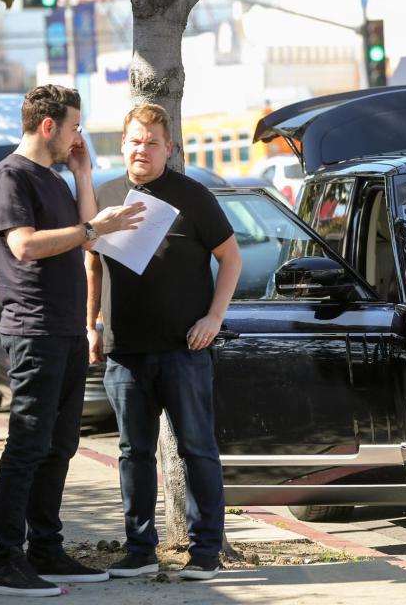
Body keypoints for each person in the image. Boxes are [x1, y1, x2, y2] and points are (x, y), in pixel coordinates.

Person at [0, 85, 146, 597]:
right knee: (28, 445)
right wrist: (87, 229)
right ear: (48, 126)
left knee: (60, 445)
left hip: (66, 329)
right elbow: (25, 246)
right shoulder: (10, 176)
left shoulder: (55, 178)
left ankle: (44, 548)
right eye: (75, 126)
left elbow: (88, 231)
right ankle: (5, 559)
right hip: (33, 329)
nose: (80, 136)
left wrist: (80, 175)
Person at [86, 104, 242, 581]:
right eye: (135, 140)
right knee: (134, 453)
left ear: (168, 148)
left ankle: (205, 551)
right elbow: (91, 264)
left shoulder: (193, 196)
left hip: (184, 349)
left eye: (153, 142)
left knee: (196, 449)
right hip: (125, 352)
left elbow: (231, 259)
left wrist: (214, 317)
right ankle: (139, 551)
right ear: (123, 143)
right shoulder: (106, 196)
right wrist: (90, 323)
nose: (142, 149)